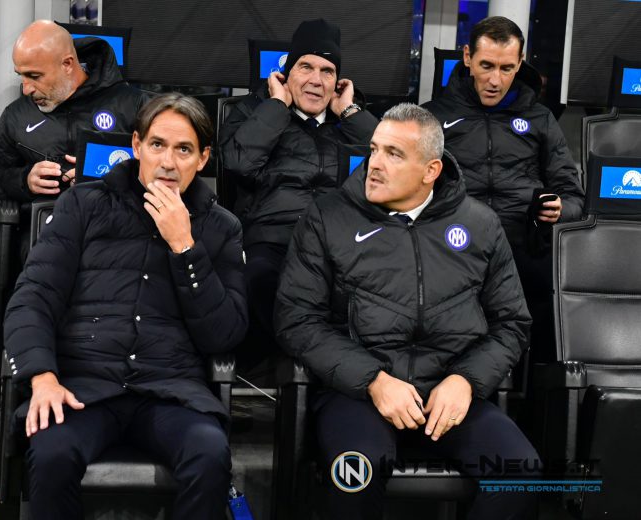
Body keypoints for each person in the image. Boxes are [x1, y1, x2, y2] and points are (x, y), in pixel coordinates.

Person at [275, 103, 540, 519]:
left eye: (393, 154)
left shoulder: (482, 225)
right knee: (354, 474)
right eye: (374, 149)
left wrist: (466, 381)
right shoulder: (327, 217)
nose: (374, 164)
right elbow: (296, 320)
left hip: (450, 397)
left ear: (430, 170)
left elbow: (512, 324)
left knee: (519, 474)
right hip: (359, 396)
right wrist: (374, 381)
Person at [3, 93, 248, 520]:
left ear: (204, 158)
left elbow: (224, 334)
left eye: (184, 149)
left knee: (209, 454)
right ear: (136, 146)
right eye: (157, 145)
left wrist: (184, 246)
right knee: (52, 453)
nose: (168, 162)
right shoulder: (83, 204)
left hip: (170, 392)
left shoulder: (221, 227)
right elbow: (32, 297)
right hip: (84, 386)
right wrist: (42, 377)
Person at [219, 18, 378, 370]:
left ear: (338, 82)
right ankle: (311, 363)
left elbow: (398, 167)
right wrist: (276, 107)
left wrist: (352, 113)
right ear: (286, 72)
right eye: (305, 66)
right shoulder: (252, 111)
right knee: (258, 279)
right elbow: (238, 163)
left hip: (342, 244)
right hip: (273, 240)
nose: (315, 80)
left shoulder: (351, 122)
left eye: (327, 71)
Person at [423, 16, 584, 362]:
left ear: (520, 63)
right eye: (486, 66)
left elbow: (574, 198)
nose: (496, 80)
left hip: (522, 244)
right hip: (453, 244)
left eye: (507, 68)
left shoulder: (540, 119)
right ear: (467, 57)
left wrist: (560, 208)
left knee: (548, 293)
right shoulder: (432, 118)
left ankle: (537, 401)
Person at [0, 19, 146, 249]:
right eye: (20, 76)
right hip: (44, 239)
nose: (26, 88)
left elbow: (168, 172)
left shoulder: (133, 105)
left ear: (67, 64)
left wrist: (105, 176)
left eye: (34, 76)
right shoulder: (18, 115)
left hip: (117, 236)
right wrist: (24, 180)